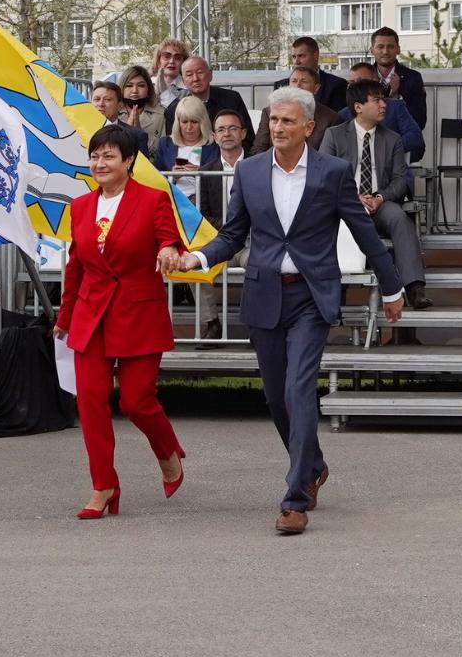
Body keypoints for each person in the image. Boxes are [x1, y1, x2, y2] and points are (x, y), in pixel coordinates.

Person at [173, 87, 405, 536]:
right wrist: (198, 258)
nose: (277, 128)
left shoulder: (333, 173)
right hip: (264, 293)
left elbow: (364, 234)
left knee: (300, 391)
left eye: (286, 121)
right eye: (272, 121)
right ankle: (314, 464)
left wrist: (392, 287)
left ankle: (294, 497)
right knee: (277, 398)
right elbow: (233, 233)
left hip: (310, 297)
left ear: (307, 127)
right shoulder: (251, 171)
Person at [54, 124, 188, 520]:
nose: (100, 163)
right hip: (91, 316)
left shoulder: (152, 199)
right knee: (92, 404)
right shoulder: (80, 207)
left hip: (138, 313)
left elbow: (170, 238)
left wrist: (167, 249)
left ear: (129, 161)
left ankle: (167, 451)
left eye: (109, 156)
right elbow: (76, 266)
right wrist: (65, 317)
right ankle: (103, 486)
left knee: (136, 401)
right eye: (95, 156)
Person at [320, 80, 432, 310]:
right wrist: (351, 197)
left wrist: (380, 197)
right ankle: (333, 296)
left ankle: (415, 288)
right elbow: (323, 175)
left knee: (400, 218)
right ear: (358, 106)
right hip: (346, 205)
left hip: (382, 203)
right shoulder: (334, 135)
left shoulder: (392, 139)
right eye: (377, 100)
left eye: (383, 99)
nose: (384, 105)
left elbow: (402, 179)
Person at [340, 62, 425, 162]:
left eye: (361, 82)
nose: (355, 87)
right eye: (352, 83)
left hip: (391, 168)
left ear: (375, 82)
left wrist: (385, 148)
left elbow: (415, 137)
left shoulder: (395, 107)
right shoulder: (344, 114)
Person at [163, 56, 254, 147]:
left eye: (200, 72)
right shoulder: (174, 110)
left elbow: (248, 137)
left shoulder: (232, 99)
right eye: (189, 75)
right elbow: (173, 146)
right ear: (183, 80)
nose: (195, 78)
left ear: (210, 75)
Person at [254, 66, 340, 152]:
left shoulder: (331, 118)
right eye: (294, 81)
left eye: (304, 81)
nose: (298, 86)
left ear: (316, 88)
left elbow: (328, 156)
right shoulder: (270, 111)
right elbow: (259, 149)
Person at [155, 94, 213, 205]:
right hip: (172, 203)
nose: (189, 127)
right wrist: (172, 177)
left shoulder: (213, 145)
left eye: (194, 122)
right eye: (184, 122)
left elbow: (218, 183)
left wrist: (200, 173)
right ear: (178, 122)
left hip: (203, 206)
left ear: (203, 122)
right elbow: (155, 178)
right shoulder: (165, 143)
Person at [199, 110, 251, 230]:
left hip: (255, 238)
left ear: (243, 133)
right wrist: (230, 225)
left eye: (233, 128)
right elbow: (202, 216)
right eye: (221, 129)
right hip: (220, 238)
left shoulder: (260, 167)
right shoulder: (206, 172)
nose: (227, 134)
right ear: (215, 137)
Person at [368, 26, 427, 129]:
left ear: (398, 49)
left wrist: (396, 98)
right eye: (380, 46)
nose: (385, 51)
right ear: (372, 50)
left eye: (390, 46)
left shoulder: (413, 78)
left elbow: (419, 121)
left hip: (401, 140)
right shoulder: (365, 76)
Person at [273, 36, 348, 112]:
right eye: (294, 57)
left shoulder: (336, 85)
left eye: (301, 56)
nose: (296, 62)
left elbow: (338, 119)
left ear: (315, 56)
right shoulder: (281, 85)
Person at [116, 63, 167, 155]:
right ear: (121, 89)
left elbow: (163, 150)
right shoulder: (113, 113)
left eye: (141, 85)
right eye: (129, 86)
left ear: (148, 90)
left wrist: (140, 135)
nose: (135, 91)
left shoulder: (161, 114)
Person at [90, 80, 149, 154]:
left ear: (120, 106)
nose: (101, 104)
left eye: (107, 100)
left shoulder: (136, 136)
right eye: (96, 99)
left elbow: (141, 165)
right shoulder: (78, 129)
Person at [150, 38, 190, 108]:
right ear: (159, 60)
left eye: (177, 58)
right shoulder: (147, 84)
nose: (171, 61)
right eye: (166, 57)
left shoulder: (189, 89)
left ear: (183, 62)